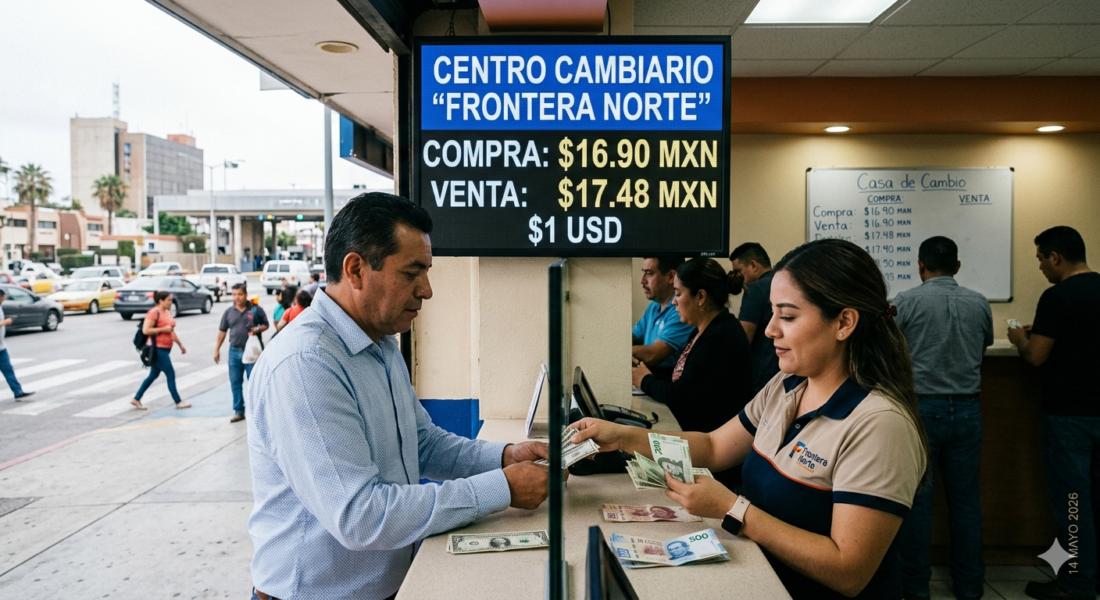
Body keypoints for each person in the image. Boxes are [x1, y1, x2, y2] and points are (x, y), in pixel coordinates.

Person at [574, 239, 928, 599]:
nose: (770, 329)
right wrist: (622, 436)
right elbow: (714, 446)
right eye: (772, 313)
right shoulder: (787, 384)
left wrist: (732, 508)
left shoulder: (880, 424)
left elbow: (849, 571)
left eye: (787, 316)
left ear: (844, 322)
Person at [247, 192, 551, 600]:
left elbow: (421, 443)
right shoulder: (306, 365)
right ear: (356, 269)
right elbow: (360, 516)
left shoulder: (381, 343)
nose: (426, 290)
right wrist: (501, 488)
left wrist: (505, 457)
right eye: (412, 273)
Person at [892, 236, 993, 600]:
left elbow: (888, 350)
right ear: (957, 266)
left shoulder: (905, 302)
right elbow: (983, 346)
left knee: (919, 501)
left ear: (920, 265)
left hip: (921, 410)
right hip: (968, 409)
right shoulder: (979, 302)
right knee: (965, 501)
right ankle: (970, 586)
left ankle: (915, 588)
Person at [1008, 226, 1100, 600]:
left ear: (1056, 257)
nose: (1041, 268)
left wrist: (1020, 340)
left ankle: (1077, 583)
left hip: (1069, 414)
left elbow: (1036, 356)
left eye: (1041, 260)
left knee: (1073, 503)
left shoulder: (1058, 296)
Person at [632, 258, 753, 433]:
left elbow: (681, 396)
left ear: (701, 297)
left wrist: (645, 380)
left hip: (714, 438)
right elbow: (688, 381)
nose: (674, 302)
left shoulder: (721, 337)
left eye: (678, 294)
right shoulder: (702, 331)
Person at [729, 242, 781, 395]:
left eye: (739, 272)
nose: (738, 278)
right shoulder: (783, 283)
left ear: (753, 265)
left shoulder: (755, 289)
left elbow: (743, 339)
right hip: (783, 372)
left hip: (761, 376)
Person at [632, 256, 695, 381]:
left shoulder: (681, 310)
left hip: (667, 381)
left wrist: (623, 352)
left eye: (649, 273)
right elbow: (634, 337)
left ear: (671, 277)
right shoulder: (654, 306)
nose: (642, 280)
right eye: (643, 272)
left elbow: (654, 355)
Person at [214, 283, 269, 424]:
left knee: (255, 382)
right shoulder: (229, 312)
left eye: (239, 294)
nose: (237, 297)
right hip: (234, 351)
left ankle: (258, 411)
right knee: (235, 382)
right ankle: (239, 411)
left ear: (246, 295)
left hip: (252, 352)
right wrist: (217, 349)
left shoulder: (255, 310)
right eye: (234, 294)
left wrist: (258, 329)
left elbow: (266, 324)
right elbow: (222, 331)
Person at [131, 291, 190, 410]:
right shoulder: (153, 313)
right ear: (160, 301)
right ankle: (178, 401)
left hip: (166, 348)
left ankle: (136, 398)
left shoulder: (167, 312)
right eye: (168, 300)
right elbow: (146, 330)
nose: (171, 302)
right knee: (170, 373)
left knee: (153, 375)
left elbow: (171, 331)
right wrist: (163, 329)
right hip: (157, 348)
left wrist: (180, 344)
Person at [0, 289, 33, 401]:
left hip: (1, 347)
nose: (4, 299)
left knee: (8, 369)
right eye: (3, 297)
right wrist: (5, 322)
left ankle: (17, 391)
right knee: (7, 369)